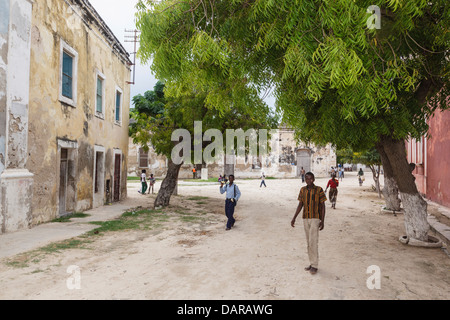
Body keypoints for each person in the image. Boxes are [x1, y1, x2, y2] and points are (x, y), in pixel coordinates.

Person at [291, 172, 327, 275]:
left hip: (315, 218)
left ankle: (315, 265)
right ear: (305, 179)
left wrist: (322, 220)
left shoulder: (319, 190)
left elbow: (322, 206)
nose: (309, 181)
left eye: (311, 179)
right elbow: (300, 204)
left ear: (314, 179)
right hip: (305, 218)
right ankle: (311, 263)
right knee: (308, 242)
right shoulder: (303, 190)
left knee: (313, 242)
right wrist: (294, 218)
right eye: (307, 179)